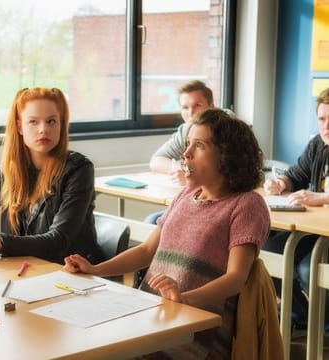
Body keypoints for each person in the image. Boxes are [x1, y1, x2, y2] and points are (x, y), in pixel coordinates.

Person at [64, 109, 270, 358]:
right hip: (155, 316)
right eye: (187, 144)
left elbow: (236, 277)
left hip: (195, 333)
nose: (186, 153)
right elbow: (147, 251)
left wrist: (184, 299)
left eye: (199, 145)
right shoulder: (185, 195)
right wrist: (96, 269)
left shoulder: (246, 205)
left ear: (227, 155)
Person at [0, 87, 105, 265]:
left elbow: (58, 241)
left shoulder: (79, 169)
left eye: (51, 121)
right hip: (25, 269)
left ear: (61, 124)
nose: (43, 129)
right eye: (33, 122)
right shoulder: (9, 170)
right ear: (20, 127)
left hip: (74, 272)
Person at [263, 86, 329, 331]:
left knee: (306, 269)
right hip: (313, 229)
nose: (326, 127)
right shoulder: (317, 145)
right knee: (265, 253)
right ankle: (302, 315)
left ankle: (325, 326)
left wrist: (321, 198)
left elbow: (319, 197)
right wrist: (281, 183)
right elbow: (295, 175)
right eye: (322, 119)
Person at [145, 80, 215, 224]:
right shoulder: (186, 129)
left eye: (197, 105)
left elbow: (232, 173)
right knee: (152, 221)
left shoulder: (228, 127)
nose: (190, 113)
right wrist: (179, 167)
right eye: (185, 107)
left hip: (220, 203)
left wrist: (193, 178)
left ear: (211, 106)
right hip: (196, 199)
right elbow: (156, 161)